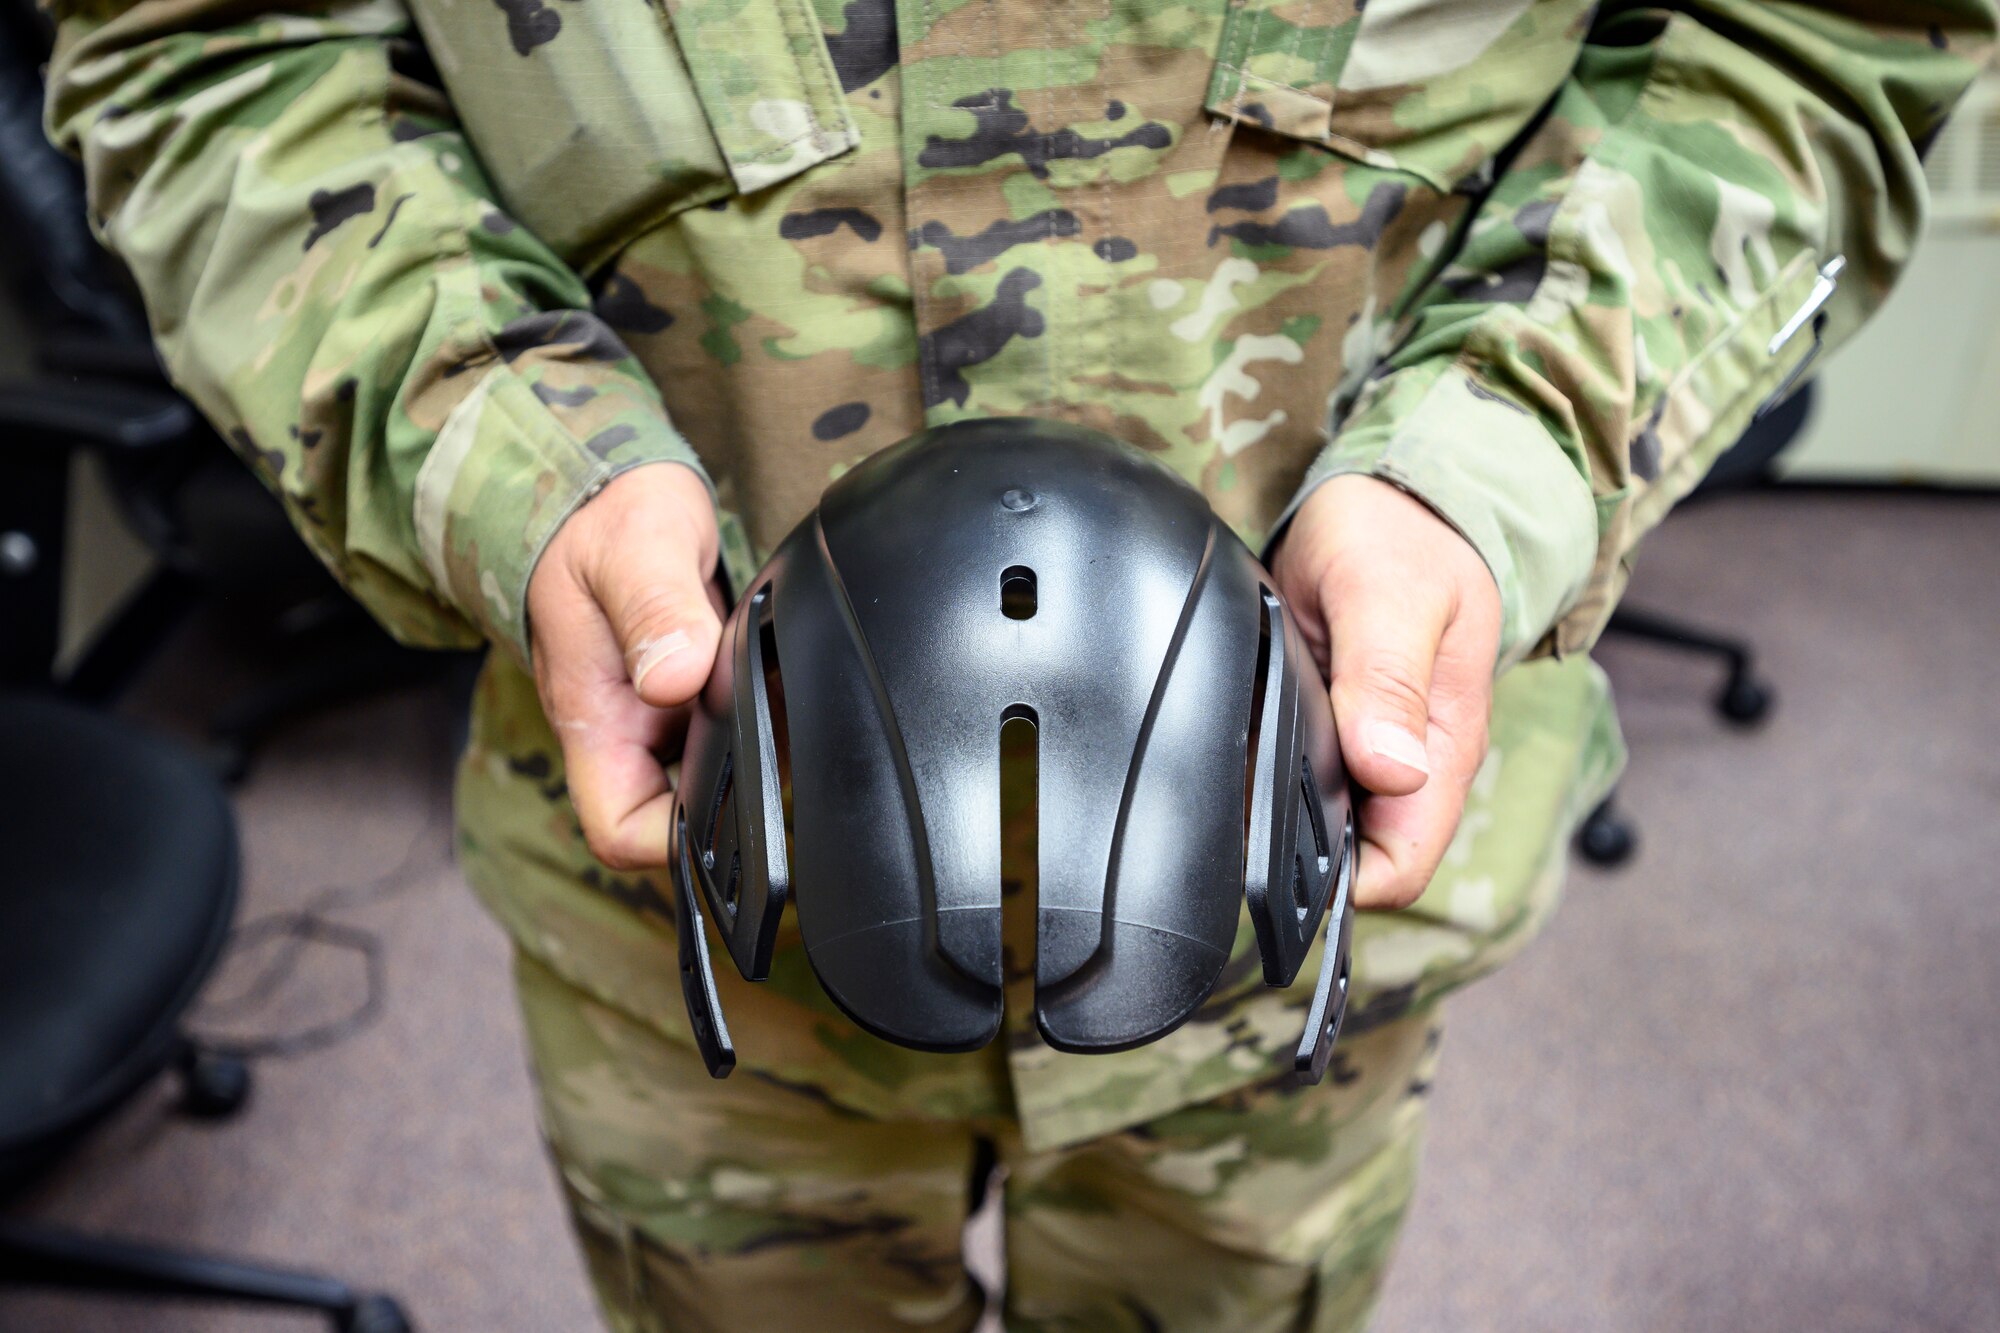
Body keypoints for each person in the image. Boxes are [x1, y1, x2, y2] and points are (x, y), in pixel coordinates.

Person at [43, 0, 1992, 1326]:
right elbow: (217, 51)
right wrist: (505, 452)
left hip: (1291, 870)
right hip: (700, 869)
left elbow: (1808, 42)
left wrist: (1499, 463)